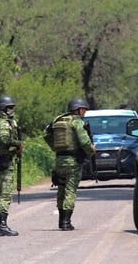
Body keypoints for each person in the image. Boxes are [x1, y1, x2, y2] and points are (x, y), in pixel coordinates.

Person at [44, 98, 95, 231]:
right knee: (70, 191)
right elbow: (84, 142)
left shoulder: (58, 120)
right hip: (73, 161)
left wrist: (55, 148)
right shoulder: (76, 122)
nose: (85, 112)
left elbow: (46, 134)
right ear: (78, 109)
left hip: (59, 160)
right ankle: (66, 222)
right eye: (84, 109)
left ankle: (61, 221)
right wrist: (91, 151)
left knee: (61, 189)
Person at [0, 95, 23, 236]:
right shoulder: (4, 124)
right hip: (3, 163)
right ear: (5, 109)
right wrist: (18, 144)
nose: (13, 110)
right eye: (11, 107)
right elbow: (5, 139)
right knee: (5, 195)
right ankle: (2, 225)